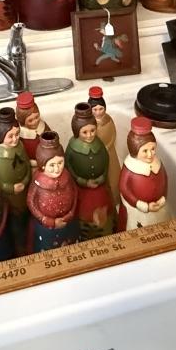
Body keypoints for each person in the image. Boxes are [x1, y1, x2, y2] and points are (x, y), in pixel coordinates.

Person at [65, 102, 115, 240]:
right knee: (83, 213)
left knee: (105, 210)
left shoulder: (99, 144)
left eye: (92, 130)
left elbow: (106, 161)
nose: (89, 135)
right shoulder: (72, 147)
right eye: (84, 132)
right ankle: (85, 236)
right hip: (81, 190)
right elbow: (68, 166)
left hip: (100, 187)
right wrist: (82, 181)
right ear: (77, 132)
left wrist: (102, 177)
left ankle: (106, 233)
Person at [0, 107, 32, 254]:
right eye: (10, 136)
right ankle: (15, 248)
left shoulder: (20, 147)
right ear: (1, 136)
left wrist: (25, 181)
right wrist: (9, 188)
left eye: (17, 134)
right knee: (11, 223)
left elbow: (27, 166)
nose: (15, 139)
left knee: (25, 219)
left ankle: (25, 244)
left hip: (23, 194)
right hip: (7, 197)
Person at [26, 131, 78, 251]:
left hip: (67, 223)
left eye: (60, 163)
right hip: (46, 228)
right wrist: (48, 221)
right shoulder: (38, 182)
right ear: (43, 165)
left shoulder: (67, 176)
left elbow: (75, 192)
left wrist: (70, 213)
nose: (57, 168)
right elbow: (31, 202)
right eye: (52, 165)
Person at [117, 116, 171, 231]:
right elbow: (124, 188)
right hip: (137, 211)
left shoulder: (157, 163)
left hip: (159, 208)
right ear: (135, 150)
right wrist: (141, 205)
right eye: (145, 151)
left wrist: (162, 199)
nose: (150, 154)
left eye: (153, 149)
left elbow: (165, 180)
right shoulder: (130, 167)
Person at [87, 86, 120, 202]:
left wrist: (108, 146)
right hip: (95, 153)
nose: (98, 112)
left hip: (109, 151)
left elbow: (113, 134)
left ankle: (115, 198)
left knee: (113, 175)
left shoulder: (108, 119)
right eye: (94, 109)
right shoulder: (88, 124)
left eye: (101, 109)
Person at [15, 91, 51, 169]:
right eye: (30, 120)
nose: (35, 122)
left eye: (37, 117)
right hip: (28, 165)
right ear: (22, 121)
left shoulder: (43, 126)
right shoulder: (20, 135)